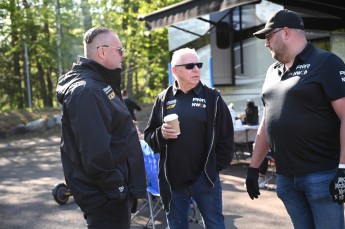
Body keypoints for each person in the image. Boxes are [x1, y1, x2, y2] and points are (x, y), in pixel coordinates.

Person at [245, 9, 345, 228]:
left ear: (287, 32)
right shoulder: (272, 71)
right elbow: (266, 121)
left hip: (322, 175)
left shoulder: (327, 63)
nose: (266, 43)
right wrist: (254, 168)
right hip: (286, 177)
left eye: (269, 36)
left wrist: (343, 169)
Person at [56, 27, 147, 229]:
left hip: (111, 196)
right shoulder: (88, 91)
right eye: (120, 50)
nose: (123, 55)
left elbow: (109, 132)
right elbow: (95, 154)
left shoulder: (99, 85)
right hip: (106, 199)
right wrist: (119, 188)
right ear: (102, 52)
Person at [144, 47, 234, 229]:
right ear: (175, 70)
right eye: (190, 66)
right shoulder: (163, 99)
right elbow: (149, 136)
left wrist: (211, 171)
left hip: (205, 180)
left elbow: (227, 142)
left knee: (215, 225)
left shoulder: (213, 99)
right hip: (173, 181)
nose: (196, 69)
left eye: (198, 65)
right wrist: (161, 134)